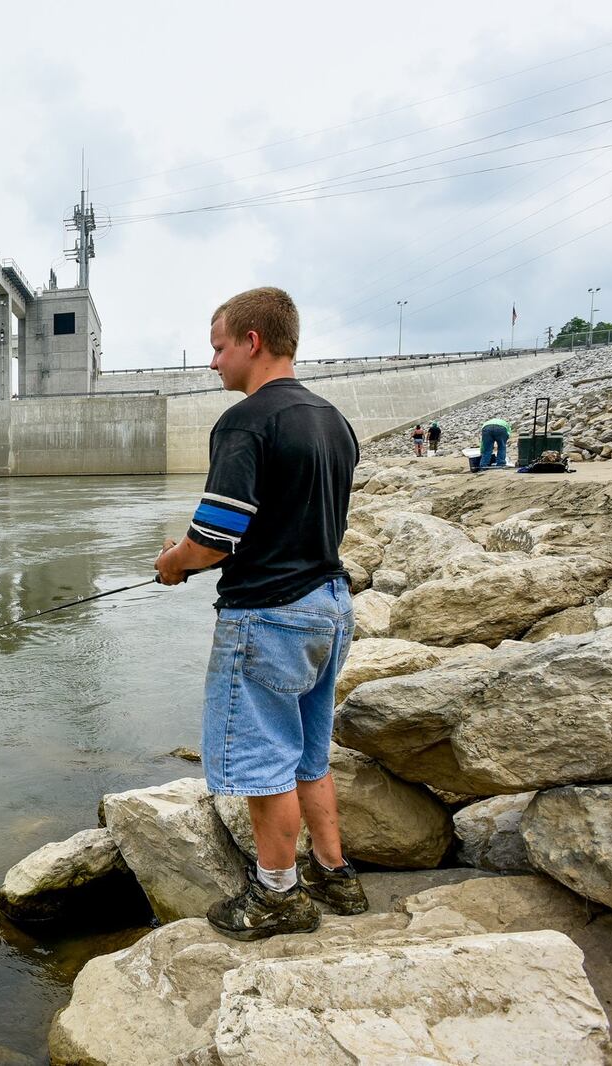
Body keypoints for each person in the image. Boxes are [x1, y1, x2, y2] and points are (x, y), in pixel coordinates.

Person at [154, 286, 364, 940]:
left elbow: (215, 538)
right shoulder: (332, 419)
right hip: (330, 605)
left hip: (271, 616)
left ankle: (278, 895)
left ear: (252, 341)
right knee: (308, 750)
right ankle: (337, 876)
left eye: (218, 347)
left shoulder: (247, 421)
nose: (212, 363)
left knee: (265, 758)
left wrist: (173, 563)